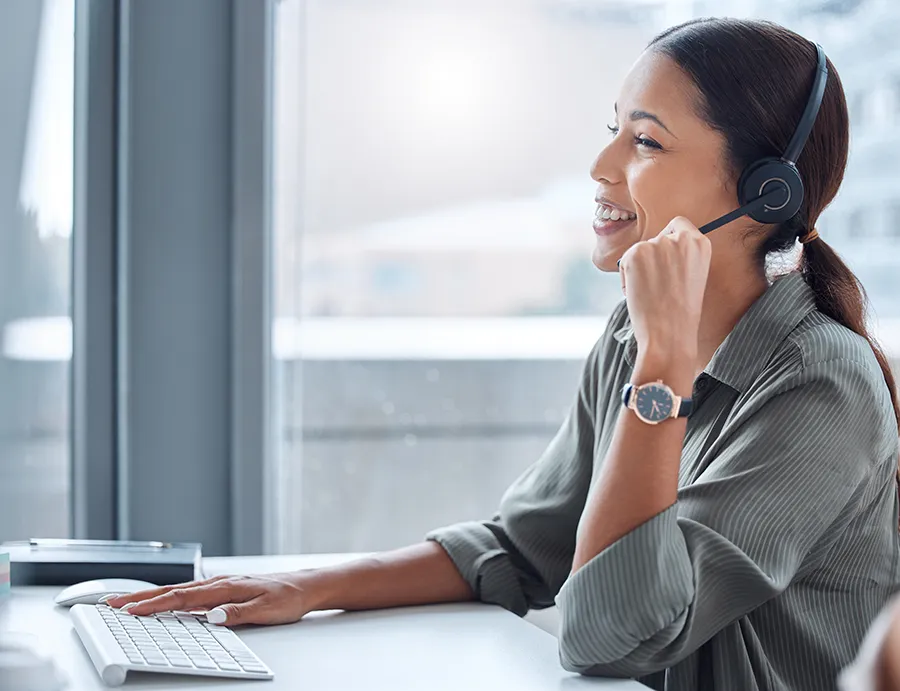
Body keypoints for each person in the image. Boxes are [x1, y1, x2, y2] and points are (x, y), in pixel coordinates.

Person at [103, 17, 900, 691]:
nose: (601, 167)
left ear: (765, 192)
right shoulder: (631, 335)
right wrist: (307, 586)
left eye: (646, 141)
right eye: (612, 128)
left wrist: (661, 372)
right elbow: (522, 547)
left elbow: (610, 632)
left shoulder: (820, 382)